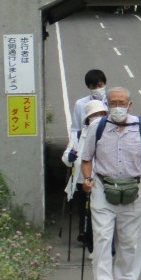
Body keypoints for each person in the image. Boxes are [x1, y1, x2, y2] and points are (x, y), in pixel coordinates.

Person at [80, 87, 141, 280]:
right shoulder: (98, 127)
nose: (117, 107)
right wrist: (87, 179)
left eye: (121, 102)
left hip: (133, 189)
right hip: (103, 188)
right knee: (103, 237)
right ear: (107, 105)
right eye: (113, 102)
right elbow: (86, 158)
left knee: (130, 239)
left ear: (130, 105)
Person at [63, 100, 108, 258]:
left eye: (100, 114)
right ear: (87, 118)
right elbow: (66, 157)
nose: (97, 117)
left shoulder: (110, 131)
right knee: (87, 213)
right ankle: (92, 244)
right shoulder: (79, 135)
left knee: (102, 214)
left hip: (104, 180)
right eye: (93, 115)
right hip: (84, 180)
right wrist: (69, 157)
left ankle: (102, 245)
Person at [68, 68, 108, 150]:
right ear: (88, 87)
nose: (97, 89)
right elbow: (75, 129)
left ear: (105, 84)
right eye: (93, 86)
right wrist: (74, 147)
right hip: (87, 145)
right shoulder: (80, 104)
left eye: (100, 86)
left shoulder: (112, 102)